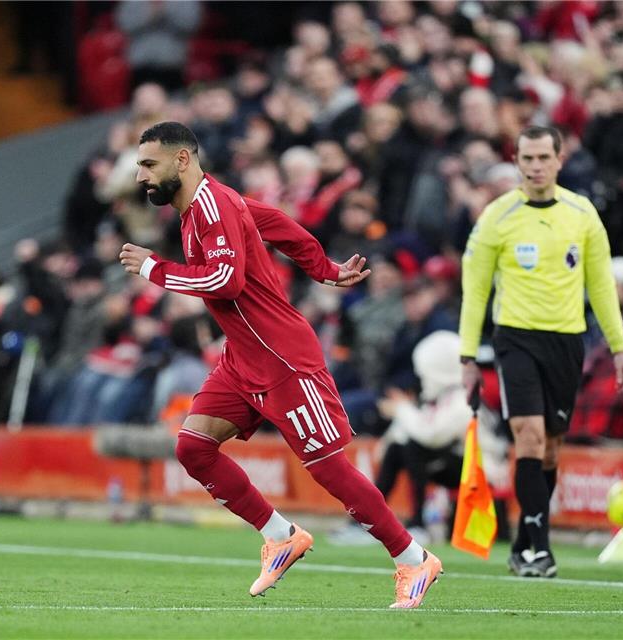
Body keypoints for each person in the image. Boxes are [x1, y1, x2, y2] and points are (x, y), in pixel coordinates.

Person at [118, 122, 442, 609]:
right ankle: (281, 535)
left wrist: (153, 269)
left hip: (280, 356)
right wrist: (326, 269)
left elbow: (225, 281)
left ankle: (413, 557)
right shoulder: (206, 206)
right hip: (242, 357)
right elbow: (279, 224)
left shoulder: (212, 205)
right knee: (194, 448)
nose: (140, 175)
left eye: (149, 164)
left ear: (181, 160)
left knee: (329, 470)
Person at [459, 125, 623, 578]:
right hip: (514, 337)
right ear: (516, 162)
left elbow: (601, 285)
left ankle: (522, 542)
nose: (535, 167)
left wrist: (619, 346)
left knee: (552, 450)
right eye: (527, 159)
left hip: (567, 339)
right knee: (529, 437)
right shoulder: (497, 216)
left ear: (560, 160)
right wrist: (467, 357)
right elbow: (475, 291)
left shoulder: (582, 213)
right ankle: (541, 548)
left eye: (543, 158)